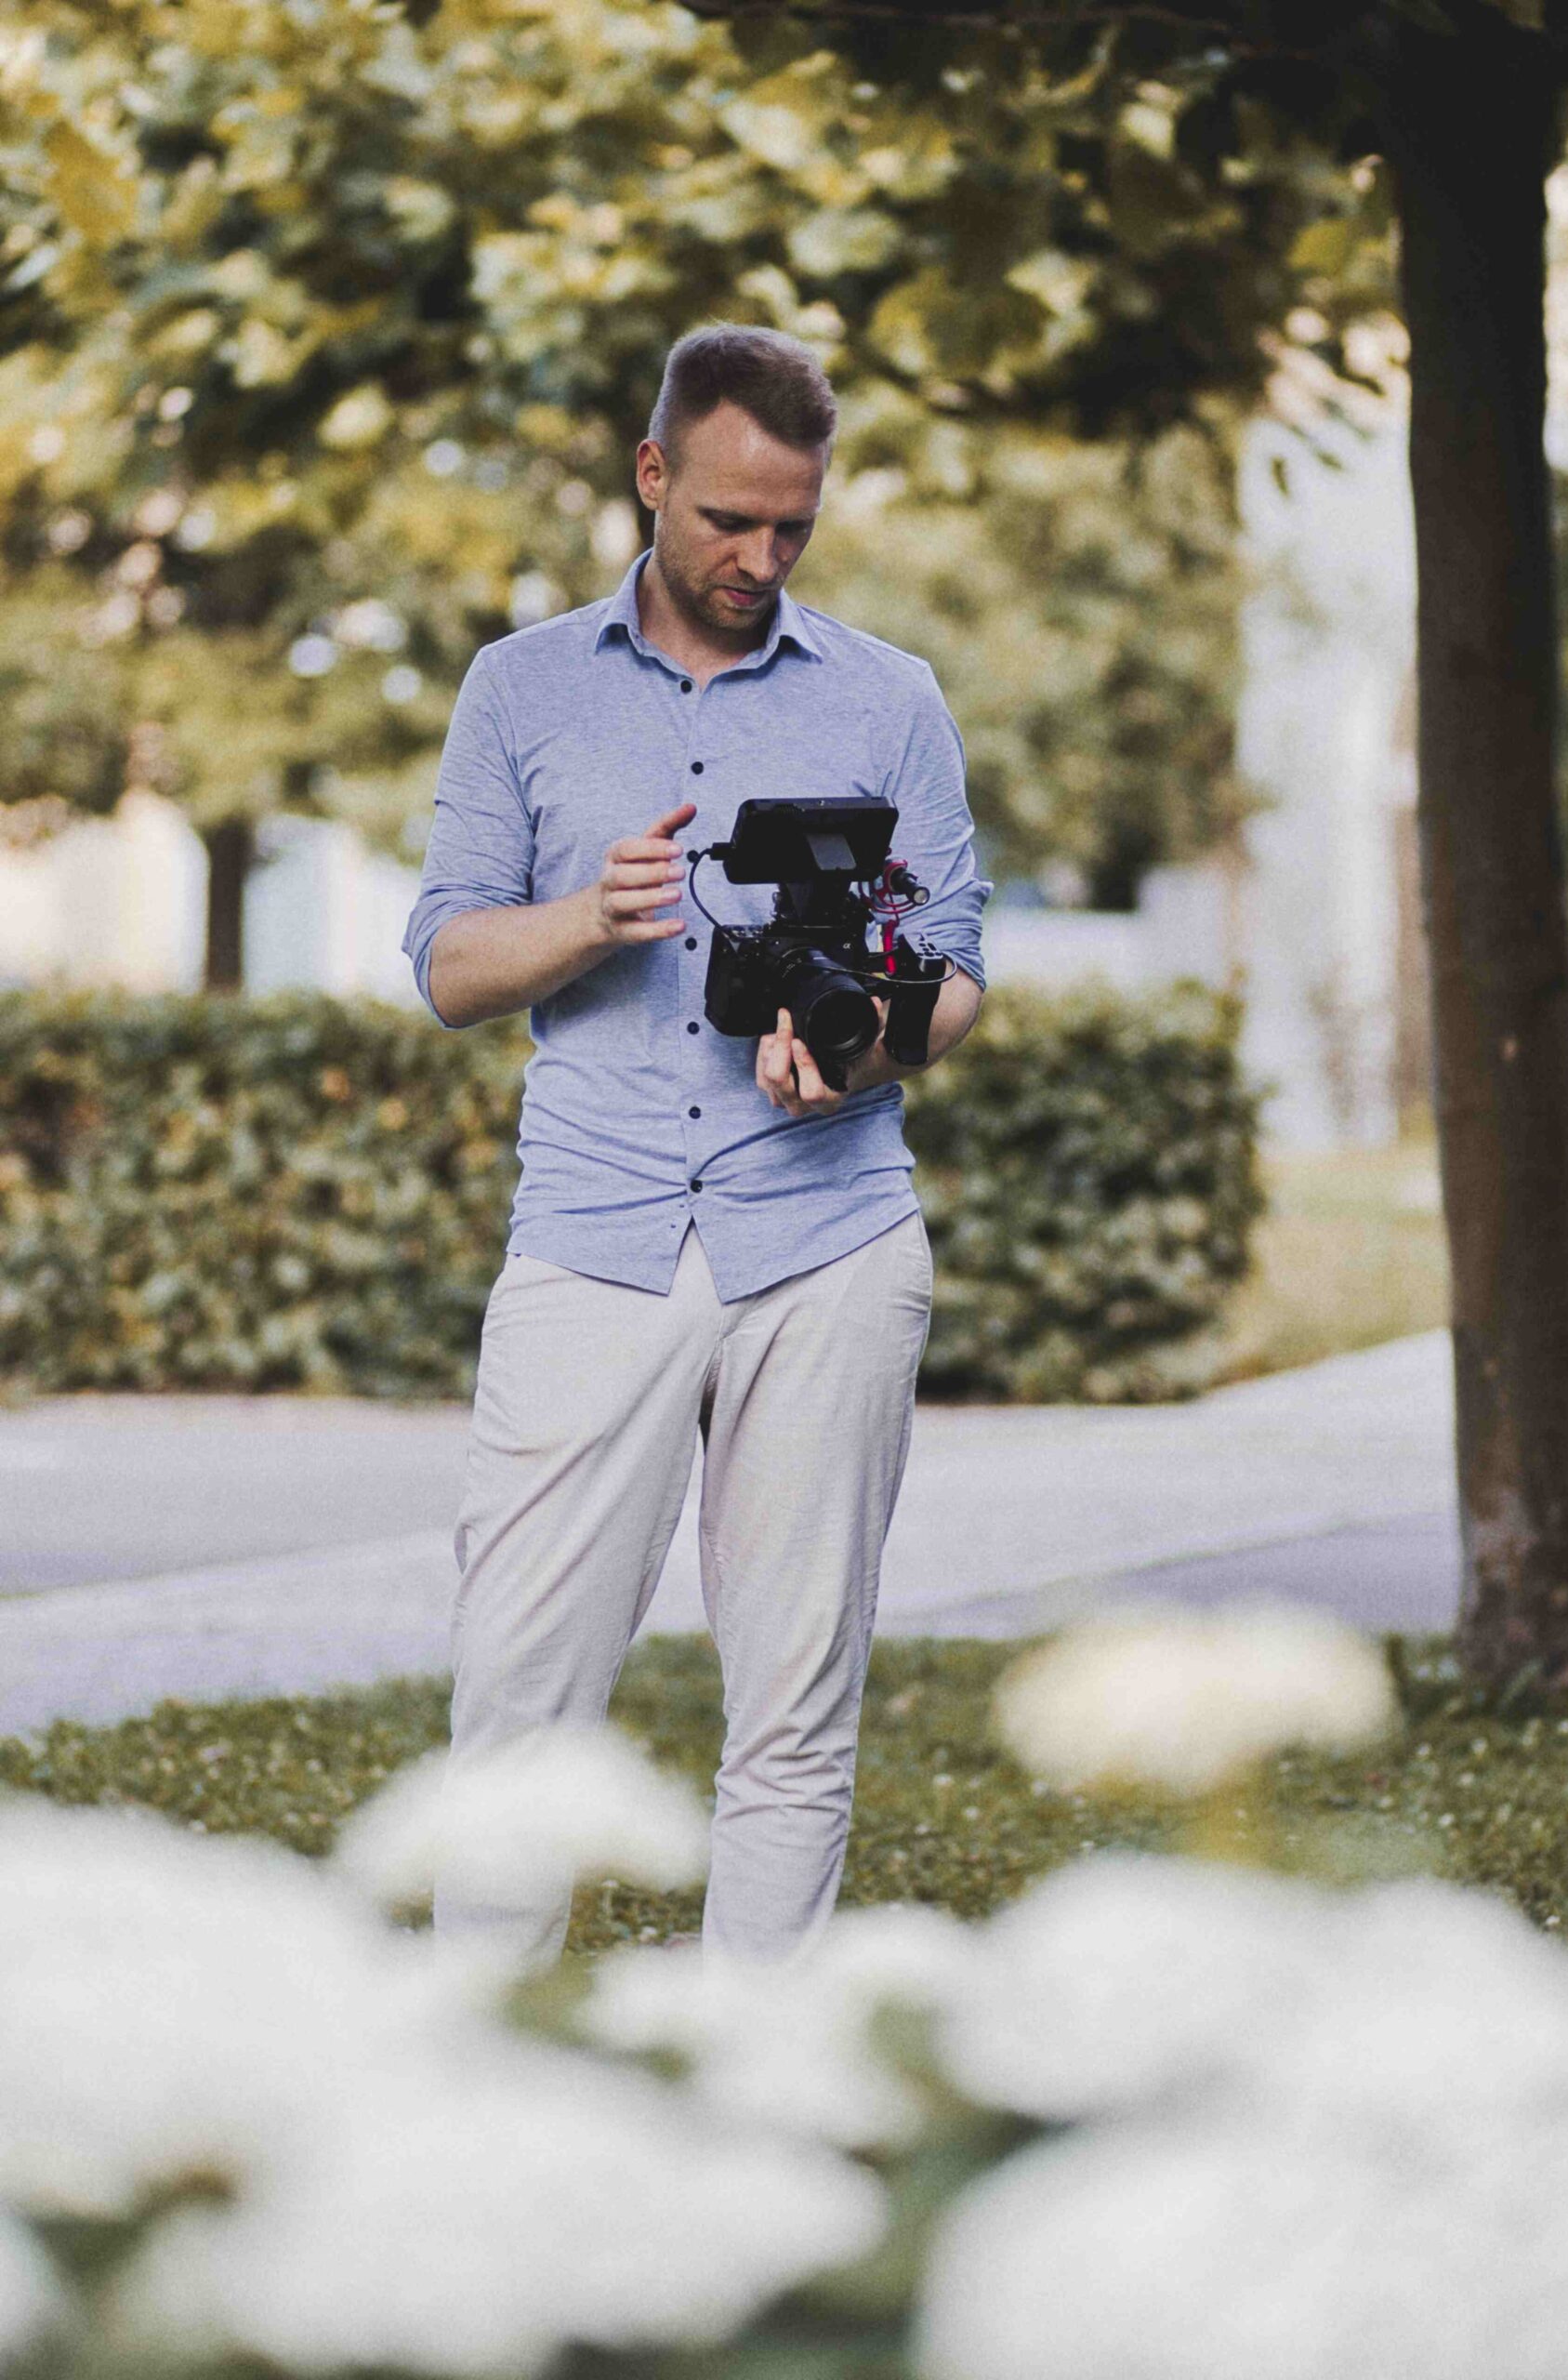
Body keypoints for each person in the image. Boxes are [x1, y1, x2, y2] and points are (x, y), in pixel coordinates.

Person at [402, 323, 992, 1969]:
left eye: (794, 525)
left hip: (830, 1241)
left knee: (795, 1715)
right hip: (593, 1237)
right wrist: (590, 918)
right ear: (653, 476)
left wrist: (860, 1047)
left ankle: (760, 2074)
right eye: (731, 518)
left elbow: (954, 971)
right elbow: (447, 963)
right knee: (518, 1706)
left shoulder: (890, 698)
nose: (762, 557)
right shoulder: (520, 687)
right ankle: (475, 2068)